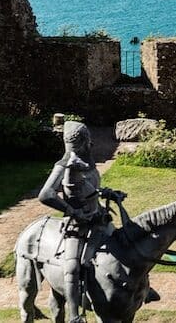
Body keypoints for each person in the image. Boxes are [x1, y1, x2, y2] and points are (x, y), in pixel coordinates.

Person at [38, 121, 123, 323]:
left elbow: (89, 188)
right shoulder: (64, 165)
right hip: (78, 226)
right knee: (73, 268)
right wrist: (72, 211)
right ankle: (74, 315)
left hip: (98, 217)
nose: (90, 144)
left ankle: (141, 289)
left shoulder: (88, 161)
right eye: (87, 140)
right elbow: (45, 194)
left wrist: (107, 192)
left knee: (125, 243)